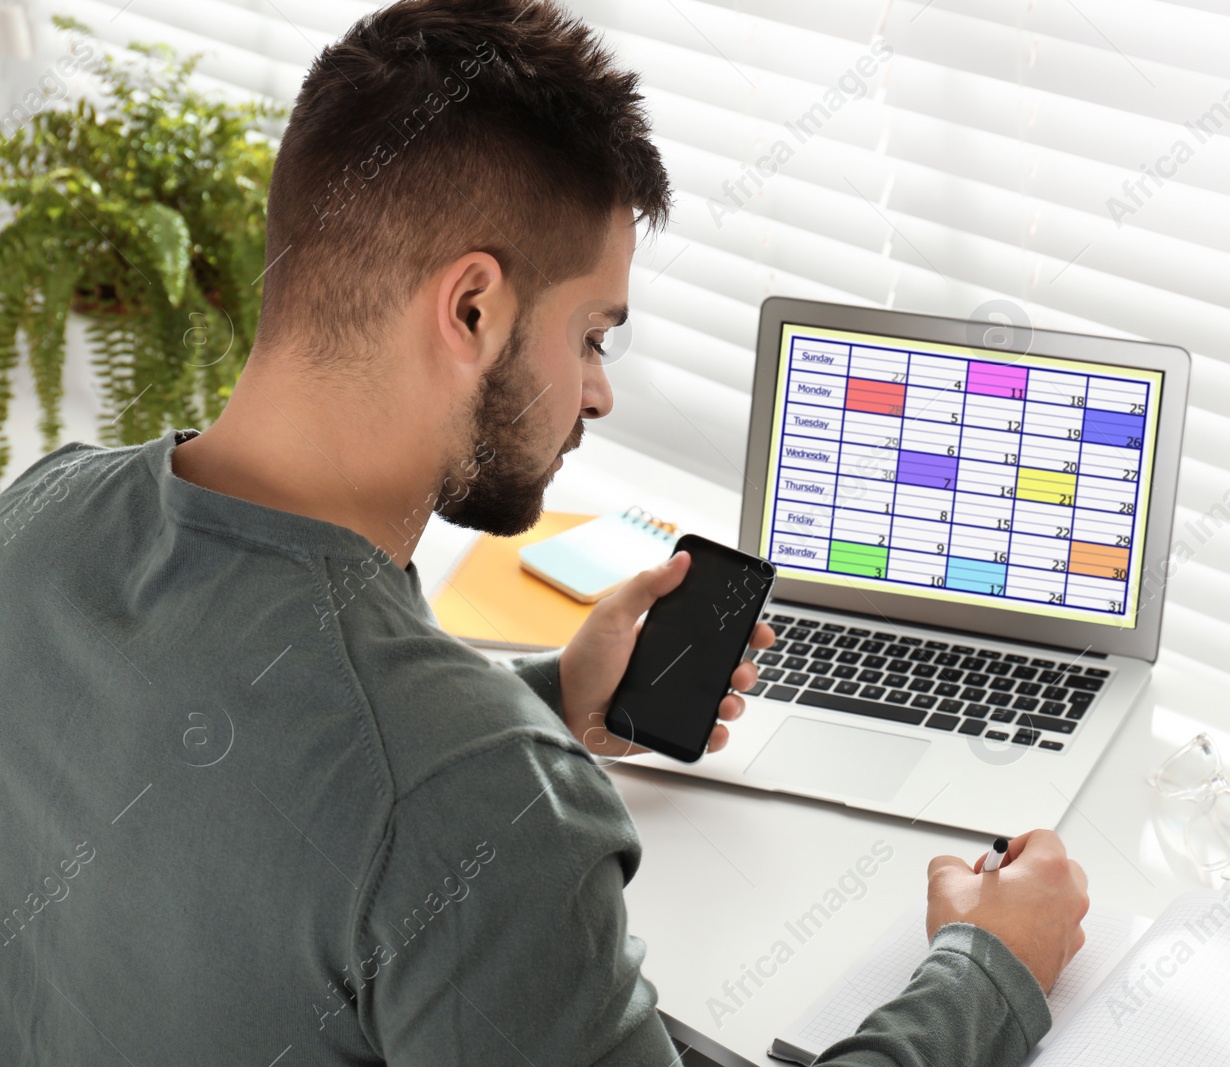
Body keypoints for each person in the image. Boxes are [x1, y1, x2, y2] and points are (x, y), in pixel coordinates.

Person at [0, 1, 1090, 1063]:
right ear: (472, 308)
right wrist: (990, 968)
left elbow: (252, 799)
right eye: (593, 334)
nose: (599, 393)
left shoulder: (40, 514)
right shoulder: (486, 801)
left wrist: (546, 698)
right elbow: (410, 799)